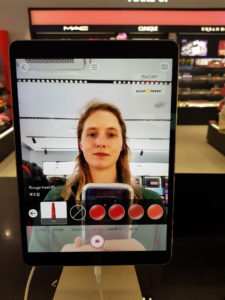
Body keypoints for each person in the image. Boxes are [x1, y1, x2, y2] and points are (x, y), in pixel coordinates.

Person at [29, 101, 167, 252]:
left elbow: (164, 266)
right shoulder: (56, 199)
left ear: (122, 144)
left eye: (111, 134)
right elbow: (38, 261)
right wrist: (65, 262)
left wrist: (142, 261)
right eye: (92, 134)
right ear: (80, 143)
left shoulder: (150, 201)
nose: (100, 142)